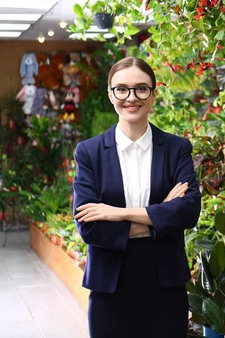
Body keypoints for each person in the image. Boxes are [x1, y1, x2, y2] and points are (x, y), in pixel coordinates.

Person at [73, 57, 201, 337]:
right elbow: (89, 226)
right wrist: (159, 215)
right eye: (122, 89)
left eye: (141, 89)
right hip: (110, 285)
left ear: (153, 94)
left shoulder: (176, 149)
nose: (131, 97)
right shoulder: (89, 152)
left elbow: (188, 212)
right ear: (110, 94)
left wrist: (117, 213)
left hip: (165, 283)